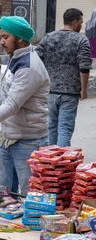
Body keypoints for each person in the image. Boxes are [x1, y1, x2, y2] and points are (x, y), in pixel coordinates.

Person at [0, 16, 50, 196]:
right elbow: (4, 95)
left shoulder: (29, 66)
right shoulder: (10, 59)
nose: (1, 42)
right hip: (6, 137)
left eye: (5, 37)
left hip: (28, 141)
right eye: (1, 37)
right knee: (3, 196)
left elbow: (12, 105)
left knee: (30, 196)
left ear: (19, 39)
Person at [37, 8, 92, 147]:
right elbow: (84, 66)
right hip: (70, 93)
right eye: (80, 22)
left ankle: (50, 162)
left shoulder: (49, 37)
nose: (81, 25)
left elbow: (36, 59)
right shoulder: (81, 40)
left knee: (51, 128)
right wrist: (84, 90)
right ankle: (61, 163)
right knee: (65, 129)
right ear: (74, 22)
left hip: (50, 91)